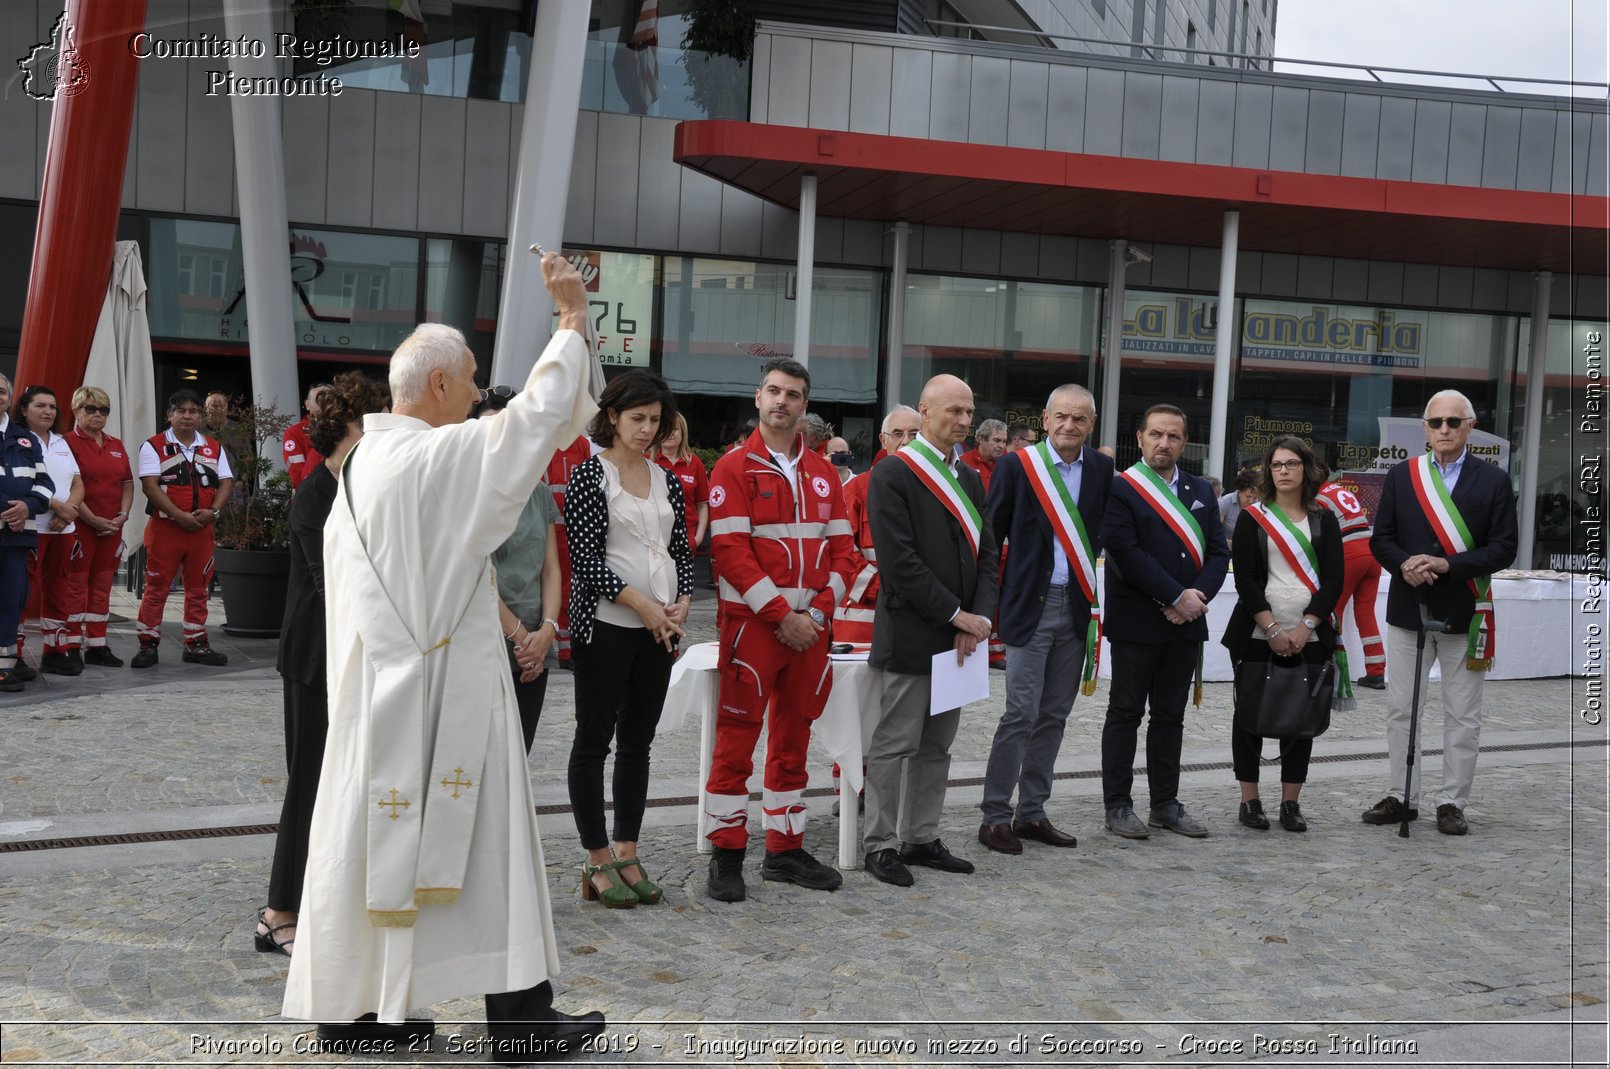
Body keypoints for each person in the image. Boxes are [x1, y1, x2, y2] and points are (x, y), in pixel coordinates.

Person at [282, 254, 605, 1058]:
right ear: (434, 388)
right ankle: (522, 1020)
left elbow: (536, 431)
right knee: (492, 850)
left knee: (366, 845)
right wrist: (569, 322)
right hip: (446, 697)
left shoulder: (364, 467)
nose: (474, 400)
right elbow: (536, 424)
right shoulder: (435, 458)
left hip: (376, 703)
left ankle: (364, 1013)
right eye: (466, 385)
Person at [703, 358, 856, 903]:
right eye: (773, 391)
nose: (781, 401)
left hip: (808, 633)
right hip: (754, 631)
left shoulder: (822, 473)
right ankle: (725, 855)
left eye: (793, 394)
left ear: (805, 405)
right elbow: (731, 555)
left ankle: (785, 851)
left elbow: (846, 556)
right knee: (736, 742)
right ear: (757, 397)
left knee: (793, 741)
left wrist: (813, 616)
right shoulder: (733, 469)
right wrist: (783, 616)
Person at [257, 372, 384, 959]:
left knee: (341, 784)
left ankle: (319, 899)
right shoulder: (315, 495)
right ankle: (278, 911)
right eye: (370, 423)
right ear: (348, 428)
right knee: (307, 781)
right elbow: (327, 583)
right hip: (314, 657)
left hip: (350, 656)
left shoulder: (362, 484)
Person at [861, 374, 999, 888]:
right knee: (895, 744)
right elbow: (900, 563)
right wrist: (954, 615)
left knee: (937, 746)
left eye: (969, 411)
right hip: (914, 633)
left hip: (960, 638)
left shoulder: (971, 479)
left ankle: (921, 836)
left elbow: (986, 555)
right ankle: (880, 844)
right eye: (953, 411)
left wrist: (979, 619)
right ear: (924, 410)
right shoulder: (893, 474)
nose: (964, 421)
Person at [565, 370, 694, 910]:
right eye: (637, 418)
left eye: (656, 421)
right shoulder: (589, 476)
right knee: (594, 740)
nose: (647, 430)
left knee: (638, 743)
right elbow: (585, 560)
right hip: (607, 627)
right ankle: (596, 858)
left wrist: (682, 600)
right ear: (612, 416)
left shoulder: (666, 479)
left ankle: (628, 850)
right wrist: (641, 603)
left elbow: (682, 549)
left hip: (660, 631)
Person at [1363, 389, 1517, 837]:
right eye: (1436, 423)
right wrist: (1404, 564)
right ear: (1425, 429)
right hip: (1408, 609)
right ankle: (1402, 794)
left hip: (1464, 609)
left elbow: (1503, 547)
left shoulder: (1493, 481)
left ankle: (1452, 801)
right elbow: (1381, 538)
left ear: (1470, 426)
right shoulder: (1402, 475)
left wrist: (1449, 565)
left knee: (1463, 714)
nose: (1444, 430)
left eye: (1453, 422)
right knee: (1400, 709)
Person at [978, 385, 1111, 854]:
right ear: (1046, 418)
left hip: (1076, 609)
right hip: (1027, 606)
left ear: (1091, 424)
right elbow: (991, 537)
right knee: (1020, 713)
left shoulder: (1101, 468)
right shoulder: (1018, 465)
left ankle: (1032, 812)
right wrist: (984, 606)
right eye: (1062, 417)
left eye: (1079, 419)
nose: (1069, 426)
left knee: (1055, 715)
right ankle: (995, 815)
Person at [1099, 403, 1229, 840]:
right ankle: (1117, 805)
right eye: (1156, 434)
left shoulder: (1201, 490)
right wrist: (1175, 595)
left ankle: (1165, 805)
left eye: (1173, 436)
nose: (1164, 443)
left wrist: (1196, 598)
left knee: (1171, 716)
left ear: (1184, 442)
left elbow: (1217, 553)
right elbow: (1123, 550)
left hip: (1186, 622)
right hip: (1138, 620)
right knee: (1125, 713)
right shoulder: (1122, 488)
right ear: (1139, 438)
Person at [1221, 437, 1344, 834]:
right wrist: (1272, 628)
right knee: (1249, 717)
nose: (1285, 471)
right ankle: (1249, 800)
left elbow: (1333, 581)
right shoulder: (1252, 518)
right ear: (1268, 471)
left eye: (1292, 463)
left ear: (1306, 469)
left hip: (1309, 634)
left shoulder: (1325, 520)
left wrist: (1306, 626)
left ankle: (1291, 803)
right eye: (1277, 465)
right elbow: (1246, 580)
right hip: (1258, 633)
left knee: (1301, 718)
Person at [478, 386, 564, 754]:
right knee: (481, 759)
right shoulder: (470, 492)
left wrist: (547, 630)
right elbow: (479, 577)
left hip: (534, 640)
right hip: (486, 641)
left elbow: (551, 571)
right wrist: (520, 638)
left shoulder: (539, 493)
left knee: (518, 752)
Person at [132, 389, 233, 669]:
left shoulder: (213, 446)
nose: (187, 416)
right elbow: (149, 485)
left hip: (202, 529)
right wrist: (179, 515)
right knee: (156, 588)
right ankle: (147, 645)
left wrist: (213, 512)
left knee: (199, 588)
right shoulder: (153, 446)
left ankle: (197, 644)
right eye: (181, 411)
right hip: (166, 528)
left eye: (193, 411)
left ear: (201, 416)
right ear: (169, 415)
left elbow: (226, 482)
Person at [832, 406, 919, 647]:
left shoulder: (938, 490)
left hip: (919, 616)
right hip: (863, 618)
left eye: (914, 434)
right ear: (883, 440)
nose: (907, 441)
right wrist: (887, 587)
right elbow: (842, 551)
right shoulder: (857, 489)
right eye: (898, 434)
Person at [64, 387, 134, 667]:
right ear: (76, 411)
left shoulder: (116, 444)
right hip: (81, 526)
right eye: (90, 409)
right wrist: (92, 519)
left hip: (112, 526)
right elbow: (69, 486)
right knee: (75, 587)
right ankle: (69, 645)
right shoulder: (66, 443)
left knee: (103, 587)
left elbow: (127, 483)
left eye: (103, 410)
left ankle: (96, 645)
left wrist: (123, 514)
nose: (97, 415)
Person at [18, 386, 85, 676]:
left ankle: (56, 651)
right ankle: (13, 653)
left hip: (63, 529)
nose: (48, 412)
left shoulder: (60, 441)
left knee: (59, 589)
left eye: (53, 407)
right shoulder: (16, 441)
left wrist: (68, 509)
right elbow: (22, 484)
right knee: (20, 592)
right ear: (24, 409)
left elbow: (78, 483)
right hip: (30, 527)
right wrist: (57, 507)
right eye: (40, 406)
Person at [0, 375, 53, 691]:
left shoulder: (26, 438)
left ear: (9, 397)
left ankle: (4, 667)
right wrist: (11, 509)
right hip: (11, 523)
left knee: (12, 599)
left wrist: (28, 508)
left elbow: (45, 484)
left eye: (2, 391)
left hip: (17, 537)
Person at [1316, 466, 1386, 690]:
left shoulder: (1317, 498)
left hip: (1349, 551)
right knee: (1365, 612)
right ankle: (1376, 671)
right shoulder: (1338, 490)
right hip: (1371, 550)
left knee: (1332, 609)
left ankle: (1330, 666)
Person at [544, 433, 597, 666]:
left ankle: (566, 649)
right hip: (544, 528)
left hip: (571, 530)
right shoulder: (537, 438)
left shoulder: (581, 443)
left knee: (567, 587)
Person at [654, 410, 710, 554]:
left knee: (682, 577)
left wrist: (697, 538)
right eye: (665, 428)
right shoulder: (648, 461)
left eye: (675, 429)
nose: (670, 433)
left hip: (686, 538)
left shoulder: (694, 463)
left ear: (683, 432)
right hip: (653, 539)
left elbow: (702, 505)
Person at [282, 382, 331, 490]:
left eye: (328, 399)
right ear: (307, 404)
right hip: (311, 496)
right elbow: (297, 475)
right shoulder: (295, 432)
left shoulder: (344, 428)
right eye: (319, 398)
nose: (324, 402)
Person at [960, 418, 1008, 493]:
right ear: (981, 439)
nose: (1001, 446)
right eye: (997, 441)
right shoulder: (963, 462)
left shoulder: (1008, 463)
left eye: (1004, 442)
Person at [1218, 469, 1257, 548]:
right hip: (1228, 550)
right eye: (1248, 496)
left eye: (1255, 497)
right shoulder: (1225, 502)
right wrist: (1233, 544)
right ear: (1239, 491)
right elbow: (1214, 533)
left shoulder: (1260, 504)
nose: (1251, 501)